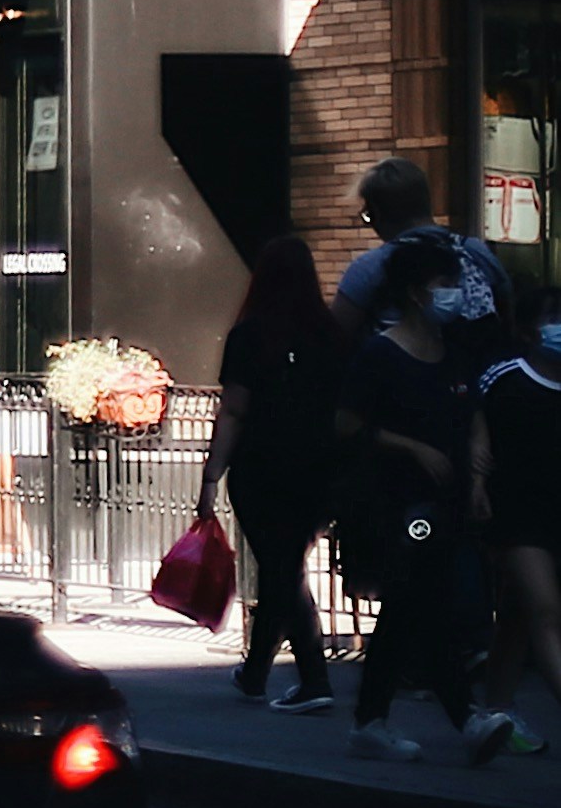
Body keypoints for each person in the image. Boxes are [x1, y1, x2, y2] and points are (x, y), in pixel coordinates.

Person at [329, 153, 516, 761]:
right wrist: (411, 447)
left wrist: (478, 468)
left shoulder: (448, 354)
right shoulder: (384, 358)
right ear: (415, 292)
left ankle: (373, 720)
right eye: (443, 288)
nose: (455, 295)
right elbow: (348, 423)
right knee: (422, 590)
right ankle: (465, 715)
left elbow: (471, 415)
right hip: (401, 497)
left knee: (413, 601)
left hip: (448, 491)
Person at [198, 233, 342, 709]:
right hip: (318, 466)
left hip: (261, 466)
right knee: (286, 567)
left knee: (280, 568)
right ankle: (261, 673)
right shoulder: (330, 333)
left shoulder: (250, 334)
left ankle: (306, 679)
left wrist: (211, 475)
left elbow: (235, 410)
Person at [476, 281, 561, 754]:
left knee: (518, 615)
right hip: (517, 515)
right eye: (553, 318)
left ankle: (495, 711)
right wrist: (476, 486)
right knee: (545, 611)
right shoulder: (505, 377)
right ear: (529, 330)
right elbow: (475, 429)